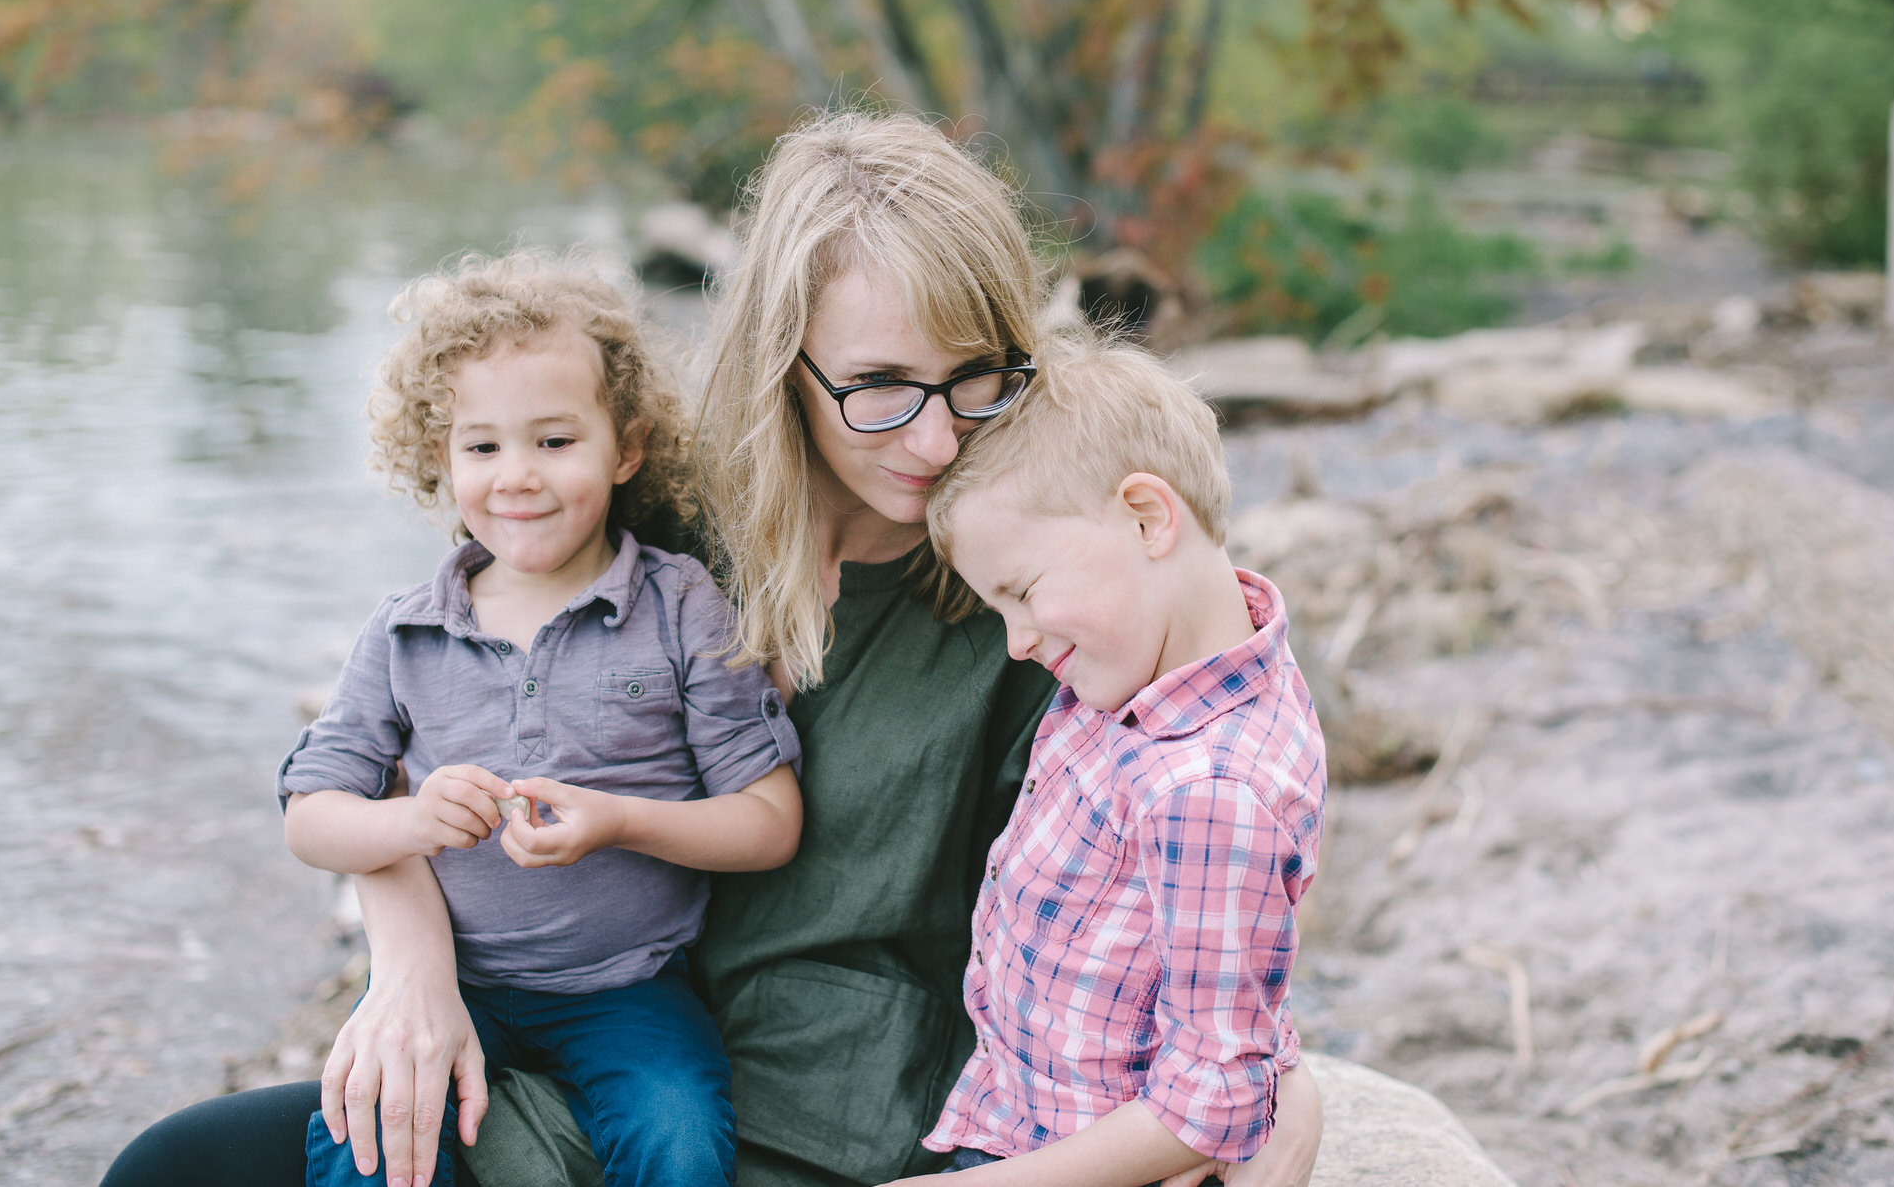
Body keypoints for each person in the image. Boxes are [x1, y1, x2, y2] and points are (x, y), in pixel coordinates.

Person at [98, 109, 1326, 1187]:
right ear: (779, 364)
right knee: (170, 1163)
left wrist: (1280, 1102)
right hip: (570, 1022)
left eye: (977, 378)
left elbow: (1194, 859)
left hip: (827, 1111)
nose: (939, 440)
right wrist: (408, 962)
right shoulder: (650, 524)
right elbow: (399, 728)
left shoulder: (1033, 599)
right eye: (881, 383)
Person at [277, 255, 804, 1187]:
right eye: (482, 447)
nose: (516, 476)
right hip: (454, 985)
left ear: (626, 446)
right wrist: (410, 818)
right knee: (364, 1129)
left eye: (555, 441)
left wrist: (622, 819)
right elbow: (312, 814)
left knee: (680, 1137)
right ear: (439, 457)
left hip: (629, 986)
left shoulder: (680, 606)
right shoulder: (404, 632)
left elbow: (769, 821)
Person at [895, 334, 1326, 1187]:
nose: (1016, 641)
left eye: (1020, 592)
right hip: (1027, 1111)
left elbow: (1210, 1097)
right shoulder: (1143, 669)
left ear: (1147, 517)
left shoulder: (1210, 790)